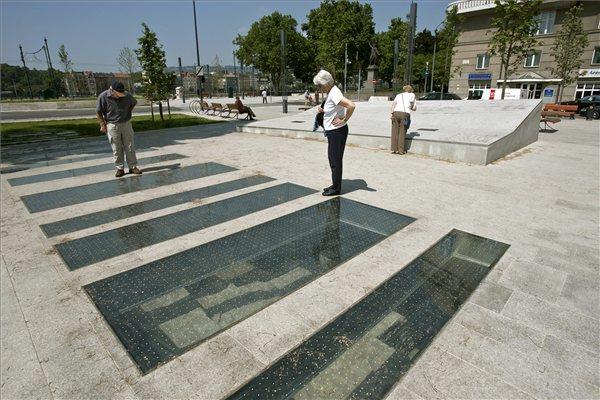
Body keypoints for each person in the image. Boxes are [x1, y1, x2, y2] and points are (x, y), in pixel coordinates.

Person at [313, 70, 356, 196]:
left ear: (326, 84)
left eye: (320, 86)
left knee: (335, 161)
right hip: (334, 131)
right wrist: (323, 109)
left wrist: (344, 119)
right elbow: (334, 107)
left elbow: (351, 105)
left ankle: (336, 189)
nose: (320, 89)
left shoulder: (334, 93)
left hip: (337, 131)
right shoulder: (332, 91)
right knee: (334, 159)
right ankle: (335, 185)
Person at [96, 81, 141, 177]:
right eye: (118, 94)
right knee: (116, 147)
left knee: (129, 146)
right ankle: (120, 168)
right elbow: (99, 112)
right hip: (112, 125)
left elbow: (134, 102)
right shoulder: (103, 97)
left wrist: (127, 112)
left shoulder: (127, 95)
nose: (120, 96)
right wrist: (102, 125)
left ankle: (133, 167)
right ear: (112, 90)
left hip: (126, 124)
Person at [390, 85, 417, 155]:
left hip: (395, 113)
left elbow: (393, 104)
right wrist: (413, 106)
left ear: (404, 89)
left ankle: (394, 149)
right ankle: (401, 150)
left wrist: (391, 113)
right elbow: (413, 107)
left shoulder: (399, 95)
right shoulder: (412, 95)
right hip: (405, 115)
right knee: (402, 131)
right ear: (411, 90)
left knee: (394, 131)